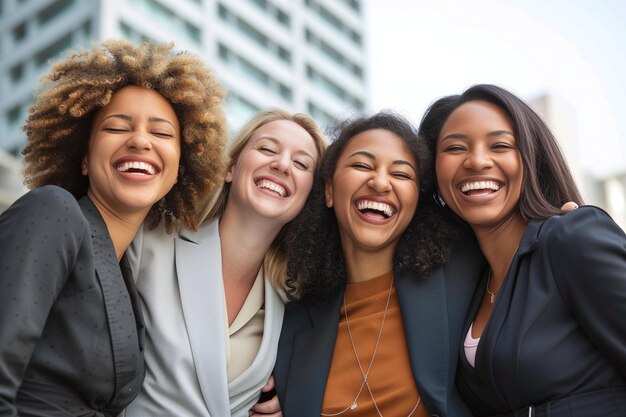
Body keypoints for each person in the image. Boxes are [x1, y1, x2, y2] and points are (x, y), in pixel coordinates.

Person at [0, 39, 227, 417]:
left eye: (162, 134)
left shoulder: (128, 276)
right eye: (118, 127)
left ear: (178, 172)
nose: (140, 140)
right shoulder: (52, 211)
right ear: (84, 158)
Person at [420, 84, 626, 416]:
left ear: (530, 158)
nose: (476, 161)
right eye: (455, 148)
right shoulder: (468, 286)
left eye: (499, 145)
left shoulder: (572, 237)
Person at [274, 111, 486, 417]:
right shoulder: (292, 323)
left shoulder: (464, 271)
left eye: (401, 174)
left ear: (417, 200)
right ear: (330, 190)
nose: (381, 182)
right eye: (361, 165)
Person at [121, 109, 326, 417]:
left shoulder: (292, 301)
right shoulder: (152, 240)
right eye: (267, 149)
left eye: (301, 163)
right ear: (231, 167)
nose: (282, 164)